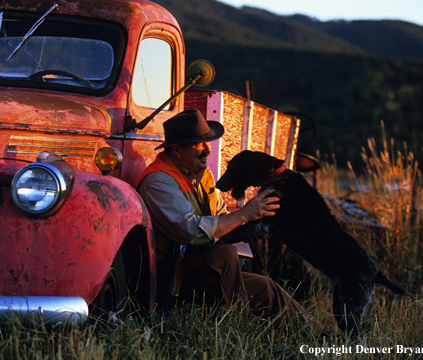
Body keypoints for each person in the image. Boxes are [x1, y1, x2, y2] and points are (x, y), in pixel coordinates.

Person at [136, 109, 325, 335]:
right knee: (224, 255)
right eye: (199, 144)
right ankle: (227, 332)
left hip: (198, 264)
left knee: (266, 287)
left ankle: (323, 338)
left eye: (208, 142)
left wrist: (262, 217)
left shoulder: (199, 174)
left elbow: (223, 216)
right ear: (177, 150)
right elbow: (191, 232)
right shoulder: (159, 181)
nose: (208, 149)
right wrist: (244, 214)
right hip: (169, 274)